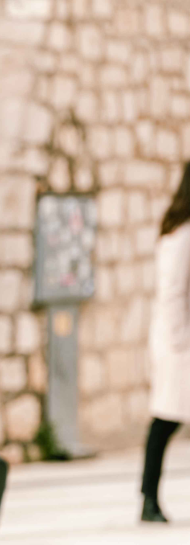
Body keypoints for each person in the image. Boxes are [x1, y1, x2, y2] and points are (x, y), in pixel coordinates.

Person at [141, 161, 190, 523]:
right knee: (165, 421)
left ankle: (148, 496)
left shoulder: (176, 232)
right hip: (179, 344)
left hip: (175, 340)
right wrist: (180, 340)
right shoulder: (184, 235)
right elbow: (173, 292)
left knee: (165, 421)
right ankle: (148, 497)